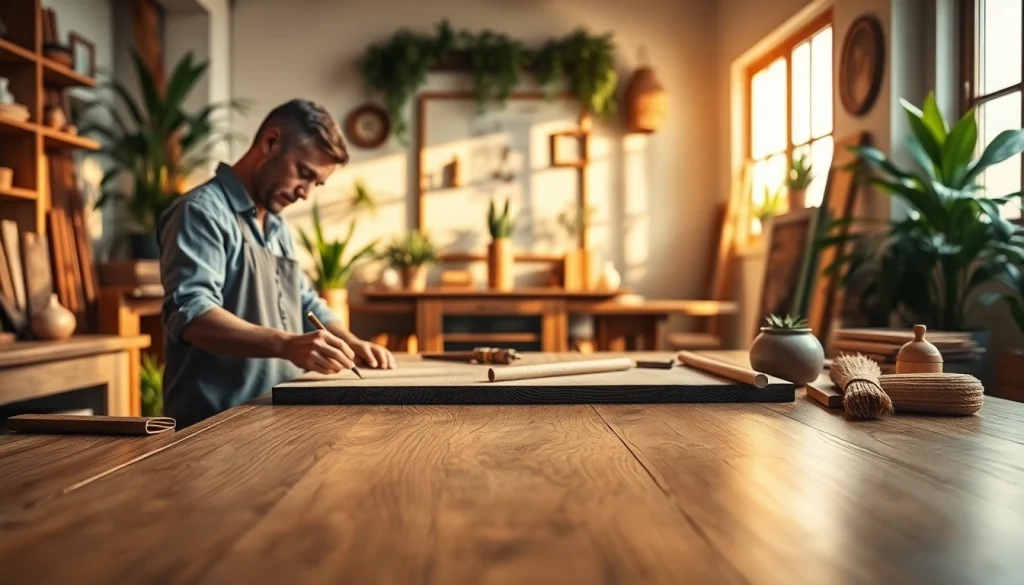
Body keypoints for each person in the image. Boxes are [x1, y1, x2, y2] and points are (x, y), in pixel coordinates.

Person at [158, 99, 395, 428]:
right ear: (271, 142)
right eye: (304, 173)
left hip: (275, 420)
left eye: (317, 183)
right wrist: (287, 344)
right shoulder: (200, 212)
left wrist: (348, 340)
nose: (305, 194)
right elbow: (193, 314)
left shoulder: (275, 224)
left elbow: (305, 302)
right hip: (213, 429)